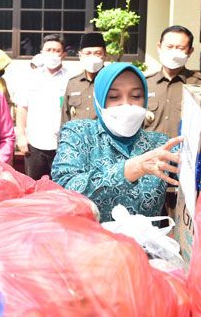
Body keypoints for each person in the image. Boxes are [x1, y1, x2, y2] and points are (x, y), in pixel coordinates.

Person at [51, 63, 184, 222]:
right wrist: (131, 168)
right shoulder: (79, 133)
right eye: (114, 97)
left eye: (135, 96)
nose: (126, 104)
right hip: (90, 243)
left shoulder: (159, 144)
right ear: (99, 99)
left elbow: (196, 172)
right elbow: (65, 189)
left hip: (145, 246)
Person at [16, 34, 69, 180]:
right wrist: (21, 136)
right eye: (48, 50)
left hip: (61, 146)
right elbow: (22, 108)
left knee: (60, 190)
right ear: (41, 53)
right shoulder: (30, 77)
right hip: (34, 144)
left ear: (64, 54)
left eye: (56, 51)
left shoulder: (70, 79)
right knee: (34, 190)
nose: (52, 54)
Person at [145, 25, 201, 137]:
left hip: (183, 152)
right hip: (150, 152)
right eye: (169, 47)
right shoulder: (145, 84)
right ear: (159, 47)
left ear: (190, 51)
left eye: (180, 48)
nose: (173, 52)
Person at [61, 32, 106, 126]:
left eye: (97, 53)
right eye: (88, 53)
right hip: (77, 139)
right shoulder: (73, 83)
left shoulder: (113, 82)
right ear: (80, 56)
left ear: (105, 55)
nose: (92, 57)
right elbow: (65, 117)